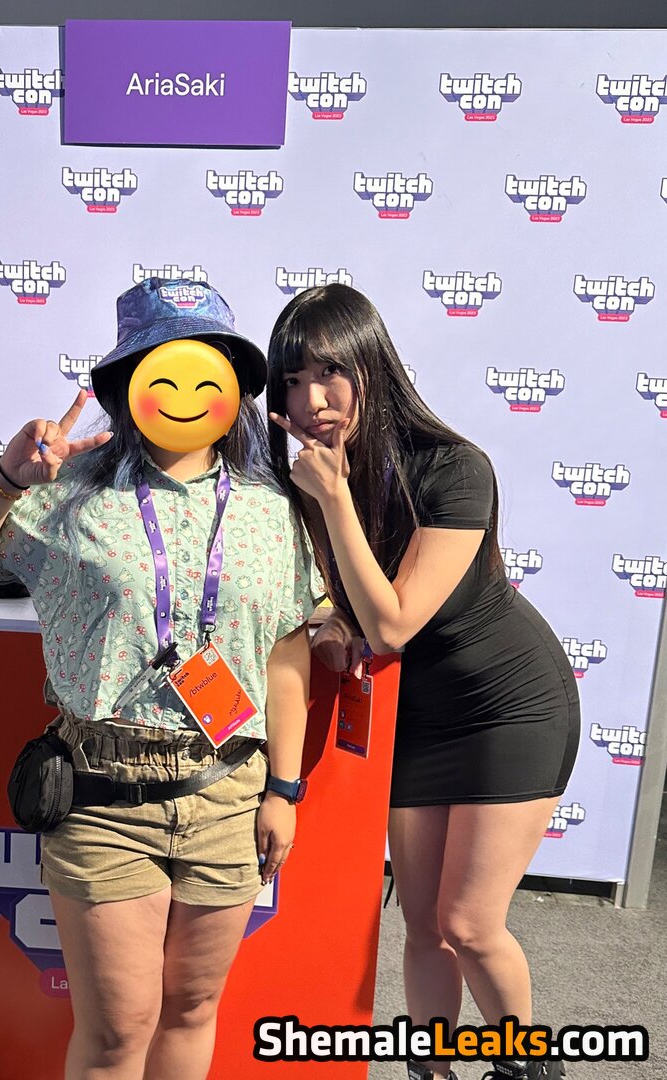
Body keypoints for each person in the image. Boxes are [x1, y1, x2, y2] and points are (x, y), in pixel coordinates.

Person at [0, 278, 322, 1080]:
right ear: (126, 386)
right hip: (103, 793)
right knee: (116, 1032)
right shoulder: (67, 496)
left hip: (226, 792)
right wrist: (7, 479)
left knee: (192, 1008)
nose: (184, 391)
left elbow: (285, 657)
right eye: (161, 368)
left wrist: (282, 790)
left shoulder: (272, 509)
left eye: (205, 367)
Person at [266, 283, 579, 1080]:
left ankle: (523, 1067)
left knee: (468, 923)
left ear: (370, 367)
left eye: (329, 373)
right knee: (422, 928)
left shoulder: (452, 468)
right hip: (415, 717)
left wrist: (334, 500)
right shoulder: (298, 478)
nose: (311, 400)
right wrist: (329, 619)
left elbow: (396, 623)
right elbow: (336, 599)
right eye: (292, 381)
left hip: (507, 706)